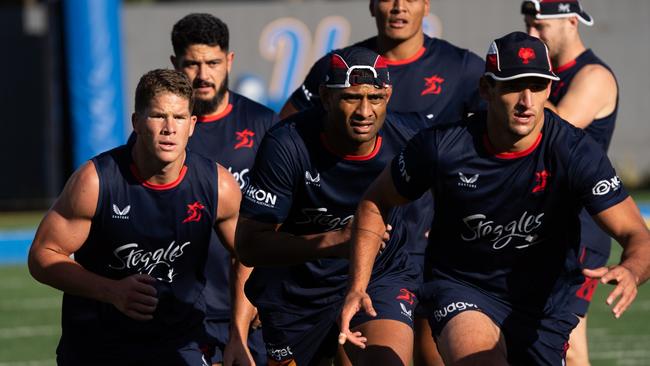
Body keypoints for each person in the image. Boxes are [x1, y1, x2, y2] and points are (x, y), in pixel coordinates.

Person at [338, 32, 650, 365]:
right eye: (514, 86)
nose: (527, 102)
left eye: (538, 86)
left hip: (543, 306)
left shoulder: (574, 151)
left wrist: (632, 268)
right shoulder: (443, 147)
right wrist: (358, 284)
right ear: (487, 89)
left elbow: (636, 235)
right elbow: (375, 202)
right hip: (462, 289)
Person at [281, 3, 485, 363]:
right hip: (348, 245)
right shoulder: (339, 67)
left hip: (426, 245)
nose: (399, 6)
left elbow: (488, 147)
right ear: (372, 4)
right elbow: (286, 134)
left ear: (426, 4)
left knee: (430, 352)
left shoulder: (462, 68)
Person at [28, 69, 242, 365]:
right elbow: (42, 256)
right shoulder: (96, 181)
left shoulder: (218, 185)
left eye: (179, 118)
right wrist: (112, 291)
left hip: (179, 345)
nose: (169, 128)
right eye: (158, 116)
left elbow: (250, 253)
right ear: (137, 122)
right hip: (97, 347)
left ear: (192, 125)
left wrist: (239, 334)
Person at [235, 47, 429, 366]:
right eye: (351, 97)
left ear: (389, 96)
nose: (364, 111)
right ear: (325, 97)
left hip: (380, 276)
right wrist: (335, 241)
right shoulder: (287, 144)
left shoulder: (412, 139)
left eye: (375, 98)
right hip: (297, 291)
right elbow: (248, 245)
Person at [169, 13, 278, 366]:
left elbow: (284, 219)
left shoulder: (265, 126)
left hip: (254, 307)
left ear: (229, 60)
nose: (203, 75)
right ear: (175, 64)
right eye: (192, 64)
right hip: (183, 309)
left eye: (213, 62)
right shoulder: (162, 132)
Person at [521, 1, 619, 364]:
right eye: (528, 25)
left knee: (568, 342)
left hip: (581, 225)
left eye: (540, 26)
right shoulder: (542, 73)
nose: (532, 35)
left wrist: (513, 85)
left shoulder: (593, 75)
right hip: (541, 219)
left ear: (571, 21)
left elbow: (558, 124)